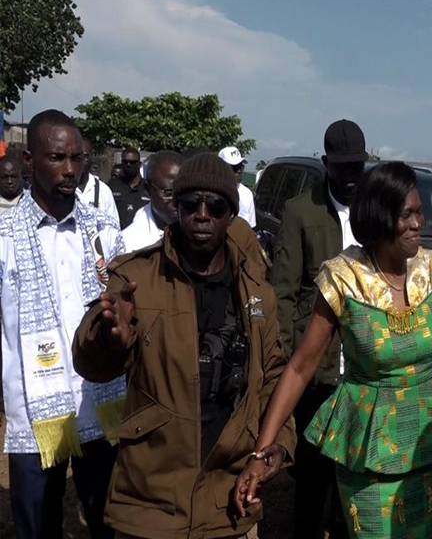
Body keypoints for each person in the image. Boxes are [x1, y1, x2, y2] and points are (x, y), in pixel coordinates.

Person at [234, 151, 432, 538]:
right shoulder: (345, 278)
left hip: (428, 441)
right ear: (379, 217)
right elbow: (300, 366)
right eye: (407, 215)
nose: (418, 224)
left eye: (419, 213)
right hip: (370, 448)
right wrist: (262, 450)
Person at [73, 153, 296, 539]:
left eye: (216, 205)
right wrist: (110, 341)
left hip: (230, 503)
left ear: (232, 213)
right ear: (176, 208)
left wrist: (278, 442)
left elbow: (273, 373)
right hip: (151, 505)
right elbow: (88, 361)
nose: (203, 214)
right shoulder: (136, 277)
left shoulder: (256, 288)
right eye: (191, 203)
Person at [0, 109, 126, 539]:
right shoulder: (3, 236)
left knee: (107, 516)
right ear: (29, 159)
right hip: (34, 411)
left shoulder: (104, 231)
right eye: (57, 158)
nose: (70, 169)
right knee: (37, 523)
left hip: (100, 400)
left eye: (76, 158)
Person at [270, 118, 368, 538]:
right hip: (319, 374)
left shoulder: (374, 206)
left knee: (356, 478)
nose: (350, 177)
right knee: (312, 480)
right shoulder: (301, 211)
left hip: (364, 371)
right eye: (342, 167)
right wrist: (294, 362)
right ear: (326, 162)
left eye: (357, 167)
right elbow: (284, 293)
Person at [121, 150, 182, 252]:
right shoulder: (128, 243)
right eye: (168, 192)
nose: (176, 200)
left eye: (182, 191)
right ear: (147, 190)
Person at [77, 136, 119, 223]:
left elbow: (114, 227)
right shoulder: (61, 190)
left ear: (91, 156)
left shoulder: (104, 191)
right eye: (77, 156)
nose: (81, 161)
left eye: (85, 156)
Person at [109, 147, 149, 229]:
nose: (128, 165)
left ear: (139, 163)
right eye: (125, 162)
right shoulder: (112, 186)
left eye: (132, 162)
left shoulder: (148, 188)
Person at [218, 146, 256, 228]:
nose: (239, 171)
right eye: (234, 168)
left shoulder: (247, 194)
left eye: (241, 167)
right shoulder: (213, 192)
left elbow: (251, 227)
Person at [0, 147, 24, 213]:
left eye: (13, 176)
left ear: (20, 176)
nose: (9, 181)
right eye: (5, 177)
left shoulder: (32, 202)